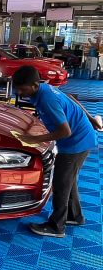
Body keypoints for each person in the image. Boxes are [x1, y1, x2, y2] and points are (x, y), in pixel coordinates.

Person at [12, 66, 100, 238]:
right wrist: (89, 118)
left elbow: (65, 131)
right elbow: (70, 99)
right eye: (18, 88)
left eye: (23, 89)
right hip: (81, 138)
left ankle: (56, 226)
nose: (20, 92)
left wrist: (33, 139)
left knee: (60, 184)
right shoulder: (45, 89)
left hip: (76, 143)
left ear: (35, 85)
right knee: (69, 180)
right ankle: (74, 216)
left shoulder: (47, 98)